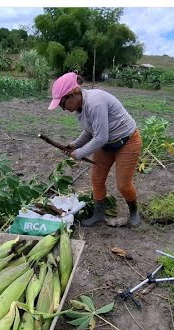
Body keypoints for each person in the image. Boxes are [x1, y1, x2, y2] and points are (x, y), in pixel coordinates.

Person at [48, 71, 144, 228]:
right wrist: (76, 144)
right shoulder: (81, 107)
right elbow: (90, 130)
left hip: (127, 141)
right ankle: (99, 214)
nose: (62, 108)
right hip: (106, 144)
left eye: (62, 104)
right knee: (97, 179)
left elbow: (100, 137)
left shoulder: (95, 103)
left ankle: (134, 212)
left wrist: (79, 153)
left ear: (72, 95)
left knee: (123, 185)